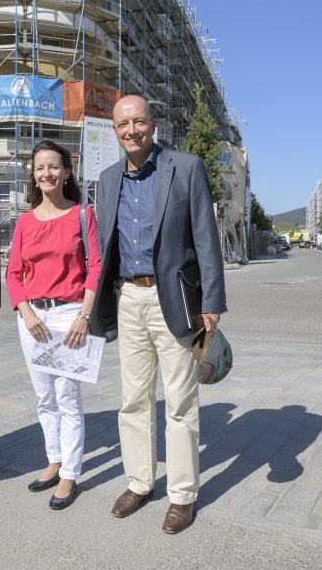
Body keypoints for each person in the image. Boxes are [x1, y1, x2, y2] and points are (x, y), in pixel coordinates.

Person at [88, 94, 227, 535]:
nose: (132, 130)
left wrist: (212, 303)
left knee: (181, 401)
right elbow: (102, 246)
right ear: (115, 130)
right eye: (123, 124)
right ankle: (139, 481)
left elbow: (206, 238)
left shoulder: (185, 168)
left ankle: (183, 495)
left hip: (176, 300)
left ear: (153, 123)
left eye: (140, 122)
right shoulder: (107, 180)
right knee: (133, 398)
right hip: (128, 298)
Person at [6, 140, 101, 511]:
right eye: (40, 167)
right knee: (43, 396)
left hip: (69, 316)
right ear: (34, 174)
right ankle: (54, 459)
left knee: (67, 399)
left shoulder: (82, 214)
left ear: (66, 172)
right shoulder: (26, 221)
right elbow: (14, 274)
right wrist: (26, 313)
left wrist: (84, 316)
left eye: (54, 167)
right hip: (32, 318)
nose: (46, 173)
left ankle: (70, 473)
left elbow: (95, 268)